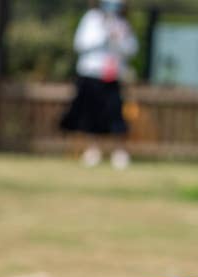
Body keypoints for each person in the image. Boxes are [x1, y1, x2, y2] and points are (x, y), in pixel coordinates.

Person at [60, 0, 138, 169]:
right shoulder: (91, 19)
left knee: (116, 113)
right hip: (91, 74)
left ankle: (119, 152)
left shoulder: (122, 22)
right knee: (91, 114)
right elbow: (80, 44)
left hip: (112, 76)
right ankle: (93, 150)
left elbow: (132, 48)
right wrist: (104, 35)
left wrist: (118, 39)